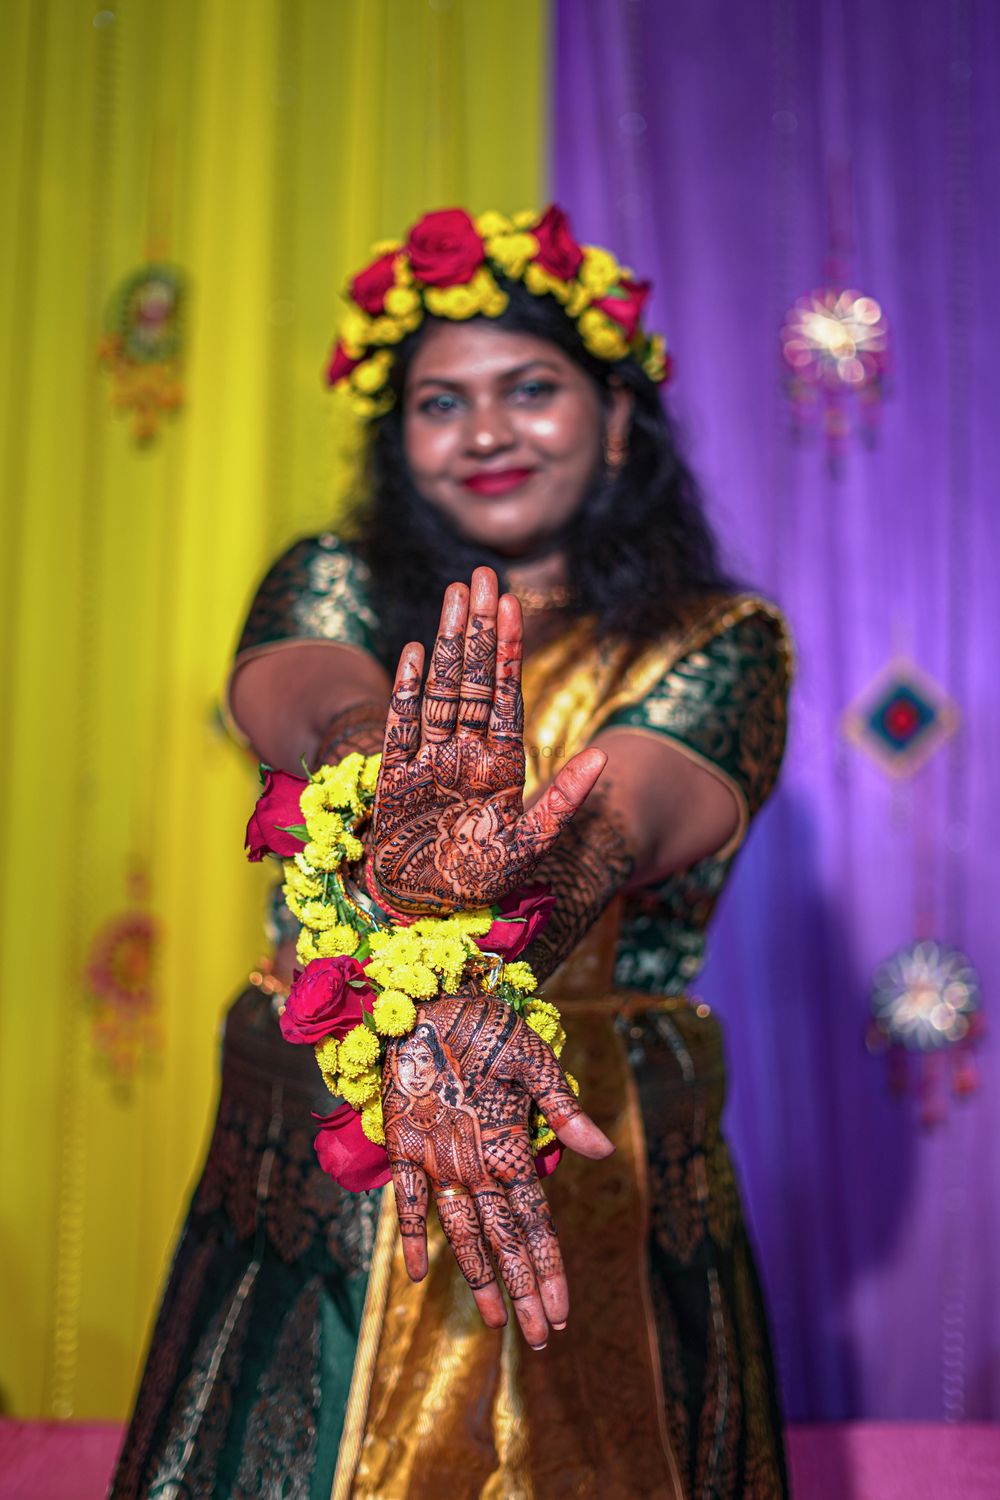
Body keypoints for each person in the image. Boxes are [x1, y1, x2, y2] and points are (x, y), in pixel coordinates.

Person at [110, 206, 792, 1499]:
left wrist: (513, 889)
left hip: (597, 1160)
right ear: (398, 438)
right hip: (328, 1153)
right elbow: (302, 687)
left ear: (616, 416)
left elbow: (633, 807)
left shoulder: (722, 635)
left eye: (530, 389)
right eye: (441, 403)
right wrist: (385, 765)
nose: (485, 432)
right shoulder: (339, 579)